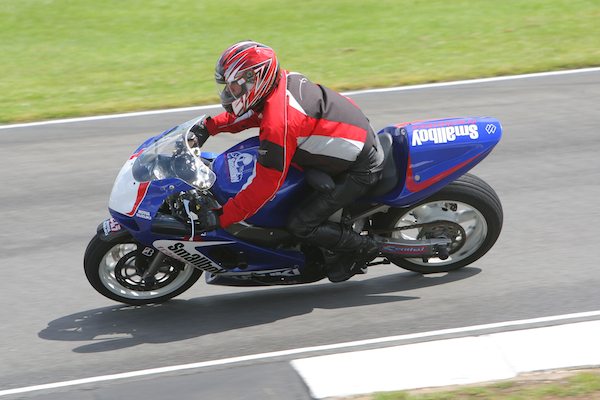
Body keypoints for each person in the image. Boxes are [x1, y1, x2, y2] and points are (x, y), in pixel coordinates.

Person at [192, 40, 385, 282]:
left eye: (233, 86)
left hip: (361, 168)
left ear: (254, 80)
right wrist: (209, 127)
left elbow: (265, 186)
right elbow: (253, 115)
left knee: (300, 224)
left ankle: (363, 248)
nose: (229, 93)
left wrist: (222, 217)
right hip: (349, 136)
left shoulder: (279, 124)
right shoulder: (282, 82)